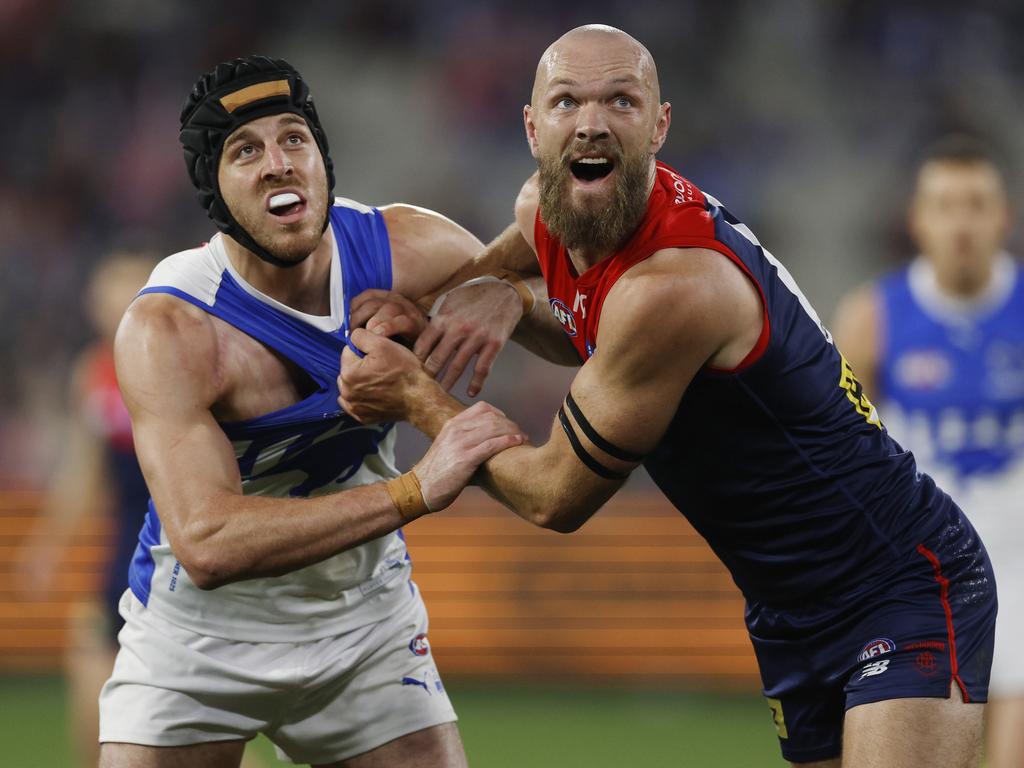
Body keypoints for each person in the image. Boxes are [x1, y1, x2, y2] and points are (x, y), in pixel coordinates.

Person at [337, 25, 998, 768]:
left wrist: (415, 398)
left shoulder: (676, 287)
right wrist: (488, 296)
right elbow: (582, 321)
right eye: (566, 102)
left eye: (621, 100)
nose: (591, 121)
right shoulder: (547, 212)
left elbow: (556, 497)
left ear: (660, 125)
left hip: (896, 580)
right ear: (532, 129)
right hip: (786, 610)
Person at [98, 56, 527, 768]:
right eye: (245, 151)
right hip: (198, 640)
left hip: (366, 625)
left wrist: (507, 293)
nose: (277, 165)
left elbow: (566, 298)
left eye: (294, 139)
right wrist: (416, 490)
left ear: (324, 159)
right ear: (213, 189)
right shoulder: (171, 326)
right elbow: (207, 543)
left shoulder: (407, 247)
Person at [833, 135, 1024, 768]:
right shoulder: (874, 316)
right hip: (923, 556)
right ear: (918, 220)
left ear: (1004, 216)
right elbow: (839, 444)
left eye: (976, 204)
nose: (961, 222)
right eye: (945, 205)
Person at [18, 252, 155, 768]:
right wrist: (46, 548)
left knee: (184, 729)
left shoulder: (182, 358)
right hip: (122, 551)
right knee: (92, 687)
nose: (113, 305)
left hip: (178, 551)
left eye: (125, 290)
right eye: (104, 295)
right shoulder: (94, 373)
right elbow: (82, 474)